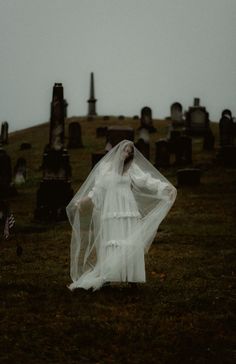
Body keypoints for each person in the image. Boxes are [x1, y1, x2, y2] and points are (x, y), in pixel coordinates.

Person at [67, 140, 176, 291]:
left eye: (130, 151)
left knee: (130, 242)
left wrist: (165, 187)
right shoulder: (105, 168)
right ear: (118, 150)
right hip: (111, 210)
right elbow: (97, 190)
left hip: (128, 209)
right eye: (125, 150)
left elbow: (146, 180)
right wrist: (85, 200)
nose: (127, 153)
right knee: (111, 241)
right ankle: (108, 277)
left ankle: (132, 278)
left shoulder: (131, 168)